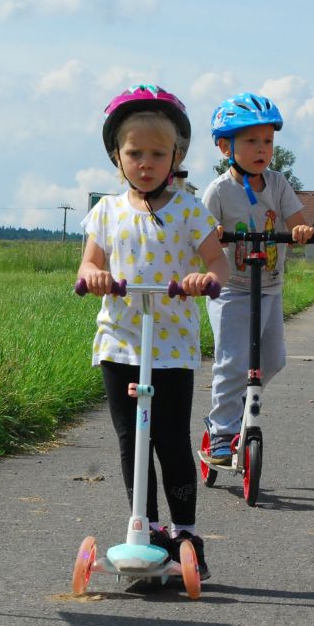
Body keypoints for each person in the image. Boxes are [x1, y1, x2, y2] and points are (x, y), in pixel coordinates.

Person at [77, 84, 231, 574]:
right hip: (120, 343)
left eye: (158, 154)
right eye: (134, 153)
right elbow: (88, 265)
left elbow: (218, 263)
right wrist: (94, 276)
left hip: (171, 347)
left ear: (176, 157)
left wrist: (204, 279)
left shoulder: (189, 210)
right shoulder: (107, 212)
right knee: (131, 439)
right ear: (116, 157)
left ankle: (185, 531)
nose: (145, 163)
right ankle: (145, 525)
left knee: (169, 438)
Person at [201, 93, 314, 465]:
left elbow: (297, 220)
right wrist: (215, 234)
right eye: (251, 141)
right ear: (225, 147)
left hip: (269, 287)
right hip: (231, 290)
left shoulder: (278, 183)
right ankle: (221, 432)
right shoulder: (219, 191)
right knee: (233, 362)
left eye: (267, 140)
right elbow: (201, 235)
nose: (262, 148)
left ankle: (238, 403)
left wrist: (300, 231)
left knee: (273, 359)